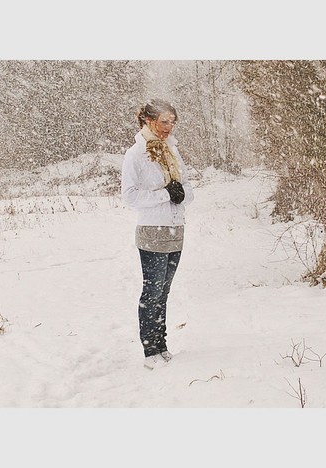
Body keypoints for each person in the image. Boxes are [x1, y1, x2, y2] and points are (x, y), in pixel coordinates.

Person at [121, 99, 195, 370]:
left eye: (172, 122)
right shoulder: (135, 155)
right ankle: (149, 349)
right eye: (164, 121)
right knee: (151, 292)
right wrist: (165, 194)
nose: (169, 127)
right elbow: (129, 195)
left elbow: (188, 188)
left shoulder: (173, 151)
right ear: (149, 121)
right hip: (153, 231)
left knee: (164, 292)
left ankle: (161, 344)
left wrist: (181, 194)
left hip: (176, 230)